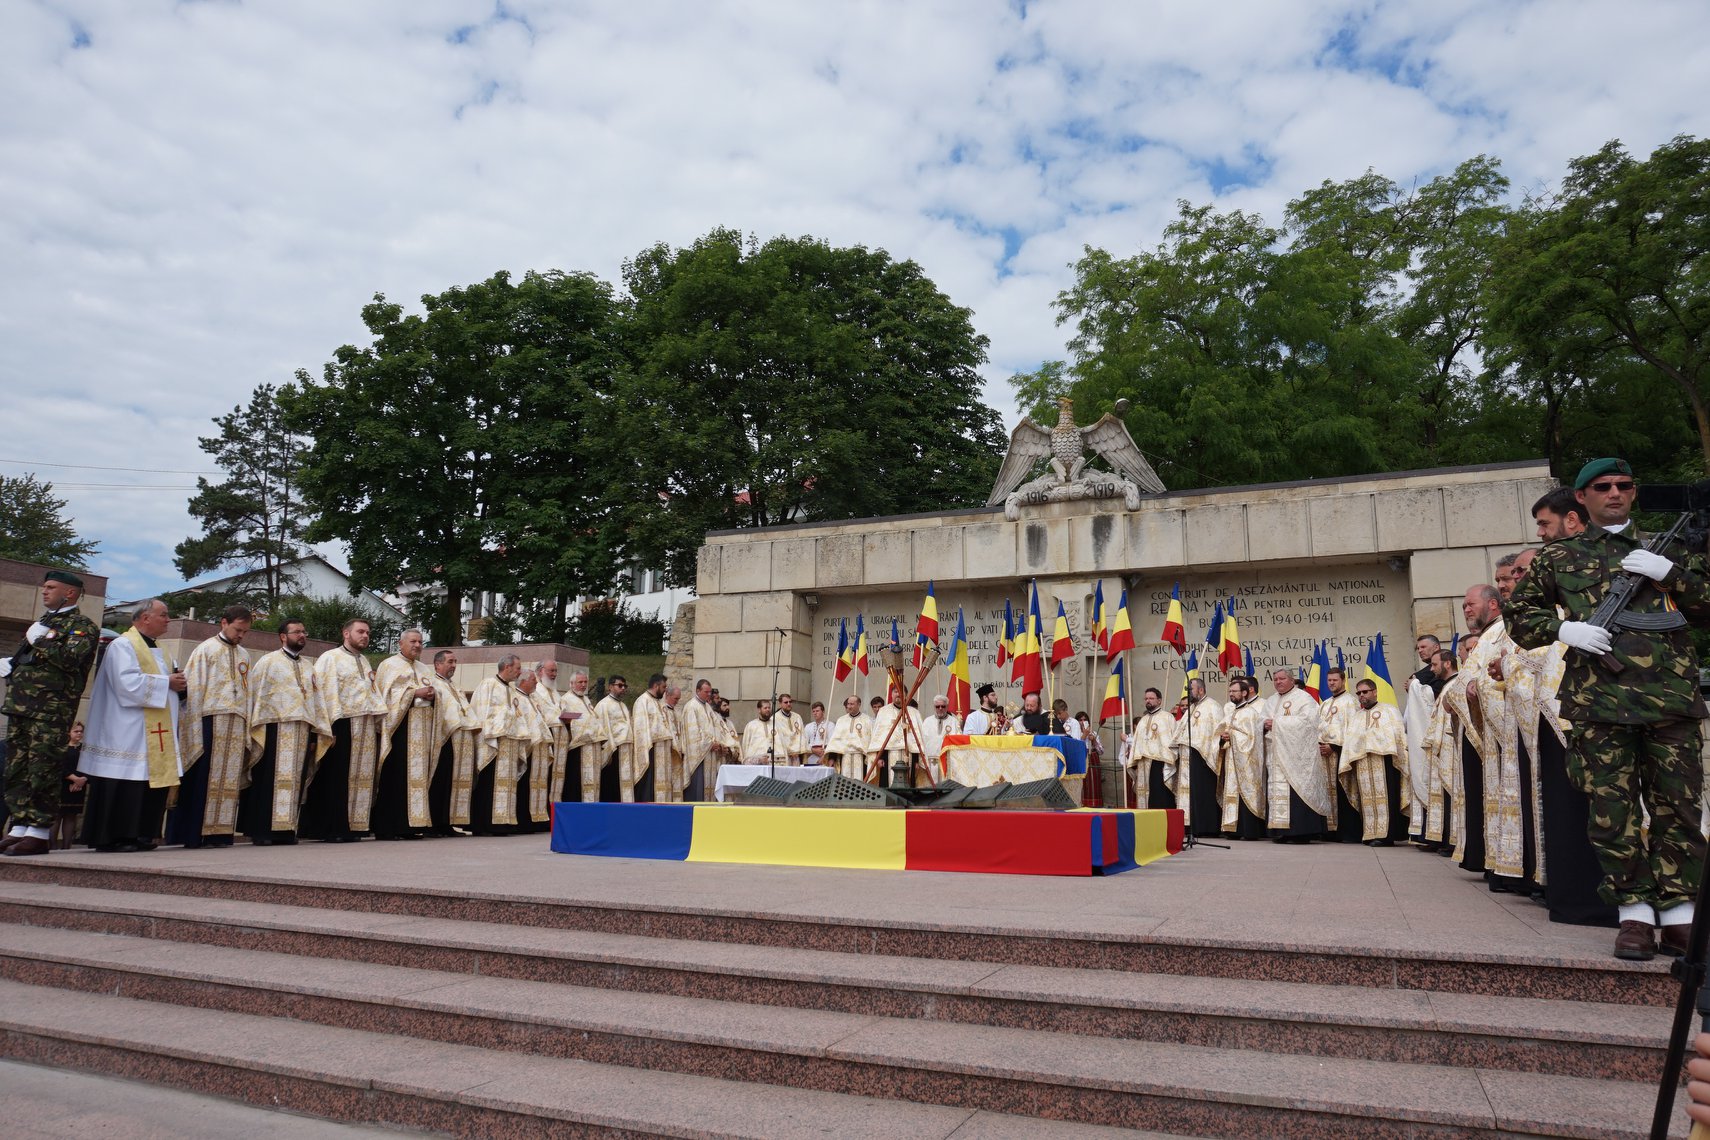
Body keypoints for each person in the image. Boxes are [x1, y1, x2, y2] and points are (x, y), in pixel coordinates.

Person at [1508, 457, 1710, 960]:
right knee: (1612, 812)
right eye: (1602, 486)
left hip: (1671, 701)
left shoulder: (1674, 549)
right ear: (1582, 498)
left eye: (1623, 485)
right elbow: (1519, 615)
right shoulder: (1559, 557)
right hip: (1599, 701)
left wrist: (1673, 576)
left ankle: (1681, 914)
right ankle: (1636, 914)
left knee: (1678, 808)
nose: (1614, 492)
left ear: (1634, 492)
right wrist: (1563, 629)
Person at [0, 569, 100, 857]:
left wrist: (40, 640)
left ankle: (40, 832)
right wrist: (12, 665)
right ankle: (20, 826)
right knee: (17, 767)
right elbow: (35, 661)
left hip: (50, 711)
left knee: (42, 768)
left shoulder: (81, 626)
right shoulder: (44, 622)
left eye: (50, 587)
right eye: (44, 587)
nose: (44, 591)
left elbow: (69, 660)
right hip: (21, 707)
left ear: (69, 593)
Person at [79, 599, 185, 853]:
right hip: (125, 732)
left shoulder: (161, 650)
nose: (168, 619)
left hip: (152, 735)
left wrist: (180, 687)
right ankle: (115, 837)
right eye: (164, 614)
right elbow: (126, 685)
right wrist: (167, 683)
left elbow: (166, 683)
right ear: (145, 617)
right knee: (125, 785)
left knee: (146, 785)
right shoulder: (123, 645)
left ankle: (140, 834)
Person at [238, 619, 332, 845]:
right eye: (297, 632)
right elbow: (257, 698)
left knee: (294, 783)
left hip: (300, 732)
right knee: (268, 781)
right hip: (273, 730)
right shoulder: (268, 662)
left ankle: (286, 829)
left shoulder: (309, 667)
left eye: (303, 631)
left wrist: (315, 734)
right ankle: (262, 832)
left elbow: (316, 703)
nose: (302, 635)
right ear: (283, 636)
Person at [168, 604, 253, 848]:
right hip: (209, 721)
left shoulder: (244, 655)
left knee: (227, 779)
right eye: (238, 630)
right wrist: (192, 727)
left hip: (235, 723)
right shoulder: (205, 650)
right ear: (223, 622)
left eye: (245, 632)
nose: (241, 635)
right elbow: (194, 689)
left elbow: (247, 691)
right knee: (204, 779)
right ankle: (195, 833)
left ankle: (220, 832)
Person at [1464, 583, 1530, 893]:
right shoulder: (1489, 635)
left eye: (1470, 604)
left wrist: (1478, 687)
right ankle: (1500, 863)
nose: (1466, 609)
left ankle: (1513, 866)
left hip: (1509, 727)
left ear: (1492, 604)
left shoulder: (1504, 629)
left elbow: (1502, 674)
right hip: (1494, 734)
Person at [301, 618, 386, 843]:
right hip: (341, 723)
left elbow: (371, 692)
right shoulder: (330, 658)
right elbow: (323, 694)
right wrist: (327, 727)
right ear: (346, 633)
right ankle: (332, 827)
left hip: (365, 725)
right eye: (360, 632)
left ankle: (356, 825)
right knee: (337, 777)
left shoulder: (365, 661)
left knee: (361, 776)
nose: (365, 636)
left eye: (368, 632)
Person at [371, 630, 439, 841]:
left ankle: (411, 825)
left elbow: (433, 692)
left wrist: (434, 695)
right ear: (400, 643)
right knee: (396, 778)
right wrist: (413, 693)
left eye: (420, 642)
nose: (417, 645)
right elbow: (384, 695)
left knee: (415, 780)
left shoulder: (422, 667)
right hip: (399, 730)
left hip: (421, 731)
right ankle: (389, 827)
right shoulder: (389, 665)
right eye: (413, 641)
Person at [470, 654, 536, 833]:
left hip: (510, 744)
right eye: (517, 668)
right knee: (489, 784)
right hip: (494, 743)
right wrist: (507, 717)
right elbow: (483, 712)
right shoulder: (488, 684)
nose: (519, 671)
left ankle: (503, 822)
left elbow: (518, 714)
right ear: (507, 667)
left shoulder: (513, 690)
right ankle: (484, 824)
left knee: (507, 785)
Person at [1263, 668, 1329, 844]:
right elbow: (1260, 721)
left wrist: (1276, 723)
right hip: (1276, 755)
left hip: (1297, 757)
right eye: (1275, 679)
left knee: (1297, 792)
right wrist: (1263, 725)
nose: (1278, 682)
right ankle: (1281, 831)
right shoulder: (1270, 700)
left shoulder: (1303, 698)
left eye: (1282, 678)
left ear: (1292, 680)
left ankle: (1301, 832)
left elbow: (1309, 722)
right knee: (1277, 792)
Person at [1341, 679, 1409, 846]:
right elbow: (1350, 740)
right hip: (1362, 763)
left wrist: (1373, 740)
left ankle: (1386, 836)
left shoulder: (1389, 710)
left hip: (1384, 760)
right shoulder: (1356, 716)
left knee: (1386, 799)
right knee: (1367, 800)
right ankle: (1370, 833)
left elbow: (1398, 736)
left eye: (1365, 691)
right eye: (1359, 693)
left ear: (1375, 692)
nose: (1362, 695)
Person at [427, 649, 478, 836]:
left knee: (453, 782)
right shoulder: (432, 683)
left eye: (455, 662)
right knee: (440, 780)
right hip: (444, 738)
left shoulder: (454, 686)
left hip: (460, 738)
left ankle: (447, 823)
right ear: (437, 664)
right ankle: (433, 824)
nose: (454, 665)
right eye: (450, 661)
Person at [1173, 679, 1225, 838]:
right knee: (1192, 793)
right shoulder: (1191, 708)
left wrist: (1200, 746)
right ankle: (1193, 825)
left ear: (1201, 690)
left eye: (1191, 689)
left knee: (1204, 792)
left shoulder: (1213, 706)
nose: (1188, 692)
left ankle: (1208, 827)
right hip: (1189, 756)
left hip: (1204, 757)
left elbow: (1215, 732)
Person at [1216, 677, 1266, 839]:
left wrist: (1232, 736)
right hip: (1231, 758)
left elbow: (1253, 738)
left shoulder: (1250, 713)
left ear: (1244, 693)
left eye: (1234, 691)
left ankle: (1249, 830)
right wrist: (1222, 737)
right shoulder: (1232, 712)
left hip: (1246, 761)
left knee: (1246, 793)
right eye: (1230, 691)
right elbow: (1220, 732)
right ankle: (1233, 829)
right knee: (1232, 793)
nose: (1231, 694)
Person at [1316, 667, 1361, 841]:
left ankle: (1347, 832)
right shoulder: (1325, 704)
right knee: (1326, 792)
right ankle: (1329, 830)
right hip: (1323, 754)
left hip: (1340, 754)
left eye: (1335, 680)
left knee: (1343, 793)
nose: (1331, 683)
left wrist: (1334, 747)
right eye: (1329, 681)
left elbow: (1353, 731)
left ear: (1343, 680)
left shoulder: (1351, 702)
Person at [680, 679, 731, 800]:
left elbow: (717, 727)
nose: (709, 694)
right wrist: (709, 744)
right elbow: (692, 733)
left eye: (710, 692)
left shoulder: (707, 707)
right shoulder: (691, 706)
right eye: (706, 692)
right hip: (699, 756)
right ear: (697, 690)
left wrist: (721, 743)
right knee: (698, 787)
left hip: (711, 753)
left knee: (709, 787)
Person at [1130, 687, 1178, 810]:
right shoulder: (1142, 720)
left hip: (1160, 763)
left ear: (1159, 701)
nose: (1148, 701)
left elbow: (1172, 741)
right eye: (1146, 698)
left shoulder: (1167, 717)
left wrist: (1168, 760)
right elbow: (1136, 743)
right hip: (1143, 763)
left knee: (1159, 796)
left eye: (1151, 698)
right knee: (1145, 796)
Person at [586, 675, 631, 802]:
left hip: (625, 751)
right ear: (610, 687)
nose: (623, 688)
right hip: (613, 750)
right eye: (620, 685)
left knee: (622, 786)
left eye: (624, 686)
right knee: (611, 785)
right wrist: (609, 750)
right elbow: (602, 729)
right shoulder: (603, 705)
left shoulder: (622, 705)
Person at [556, 671, 599, 804]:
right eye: (580, 682)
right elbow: (562, 719)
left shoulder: (586, 699)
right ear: (571, 684)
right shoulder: (566, 699)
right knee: (577, 782)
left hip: (592, 746)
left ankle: (592, 809)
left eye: (585, 682)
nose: (583, 685)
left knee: (593, 781)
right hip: (577, 748)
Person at [871, 686, 927, 787]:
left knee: (909, 783)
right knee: (887, 783)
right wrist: (879, 758)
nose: (898, 694)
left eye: (901, 692)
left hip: (909, 754)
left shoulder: (914, 713)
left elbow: (917, 738)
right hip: (888, 754)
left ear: (906, 695)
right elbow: (879, 737)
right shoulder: (883, 712)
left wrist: (916, 760)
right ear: (891, 695)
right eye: (895, 692)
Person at [629, 673, 671, 801]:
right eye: (663, 687)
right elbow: (640, 728)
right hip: (650, 749)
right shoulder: (642, 701)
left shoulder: (658, 702)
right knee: (649, 784)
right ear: (656, 685)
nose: (665, 691)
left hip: (662, 749)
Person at [53, 722, 86, 850]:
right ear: (69, 733)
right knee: (57, 816)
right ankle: (53, 846)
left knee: (71, 816)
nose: (79, 733)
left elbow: (89, 766)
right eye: (76, 731)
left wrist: (82, 779)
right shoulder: (61, 747)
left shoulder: (84, 749)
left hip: (78, 787)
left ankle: (67, 846)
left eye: (81, 731)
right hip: (62, 785)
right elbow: (59, 766)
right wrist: (74, 778)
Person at [824, 695, 872, 780]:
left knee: (861, 783)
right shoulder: (841, 720)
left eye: (852, 704)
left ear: (859, 704)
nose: (849, 706)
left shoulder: (867, 720)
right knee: (844, 782)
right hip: (845, 756)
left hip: (861, 756)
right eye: (848, 704)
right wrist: (832, 758)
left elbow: (870, 740)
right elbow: (836, 741)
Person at [921, 696, 960, 781]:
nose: (940, 708)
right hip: (930, 762)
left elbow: (958, 741)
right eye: (937, 706)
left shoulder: (954, 721)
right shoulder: (927, 721)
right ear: (934, 707)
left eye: (943, 706)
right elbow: (921, 741)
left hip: (947, 762)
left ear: (947, 706)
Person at [770, 693, 806, 765]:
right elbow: (776, 738)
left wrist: (798, 751)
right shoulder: (774, 718)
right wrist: (789, 751)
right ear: (780, 704)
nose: (789, 704)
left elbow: (802, 735)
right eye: (786, 702)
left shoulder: (797, 717)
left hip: (796, 754)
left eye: (790, 702)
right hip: (783, 755)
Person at [803, 701, 831, 765]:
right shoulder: (808, 726)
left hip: (823, 756)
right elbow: (804, 743)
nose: (815, 713)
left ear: (823, 712)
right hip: (810, 755)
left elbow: (832, 743)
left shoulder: (830, 725)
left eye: (817, 711)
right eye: (813, 711)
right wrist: (813, 750)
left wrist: (824, 757)